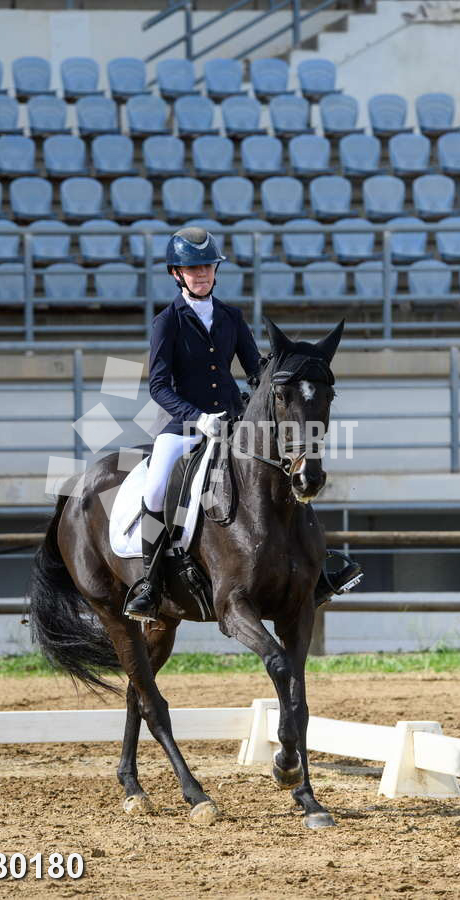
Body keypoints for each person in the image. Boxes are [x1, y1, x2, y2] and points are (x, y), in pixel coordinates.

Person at [123, 226, 362, 623]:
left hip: (235, 423)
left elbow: (256, 374)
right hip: (183, 425)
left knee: (284, 474)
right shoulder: (167, 322)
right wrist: (199, 418)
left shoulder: (231, 317)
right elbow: (159, 386)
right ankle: (149, 582)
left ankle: (315, 571)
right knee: (157, 486)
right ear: (177, 274)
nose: (202, 274)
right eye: (193, 269)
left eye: (207, 267)